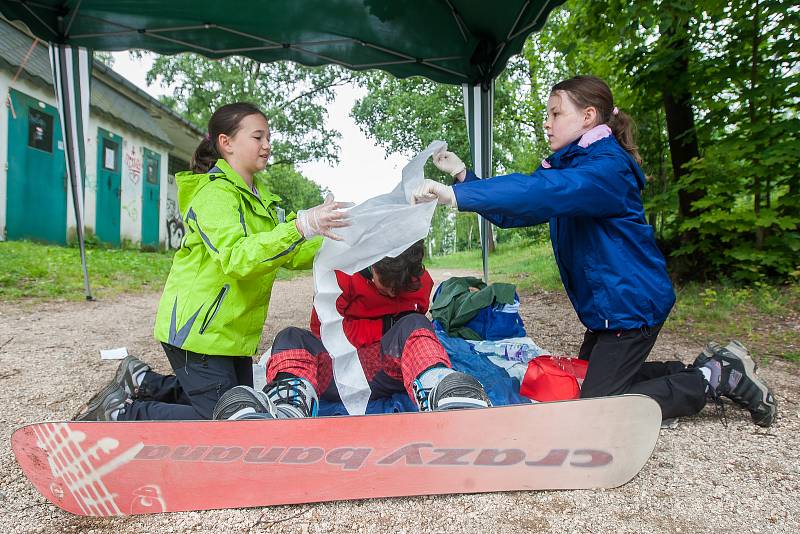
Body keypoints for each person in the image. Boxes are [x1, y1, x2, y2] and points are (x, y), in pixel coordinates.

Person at [413, 75, 777, 427]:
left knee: (596, 410)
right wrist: (463, 177)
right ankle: (696, 369)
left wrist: (458, 197)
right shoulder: (574, 166)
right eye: (547, 114)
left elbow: (541, 191)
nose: (547, 123)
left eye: (556, 113)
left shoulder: (606, 168)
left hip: (631, 309)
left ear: (588, 116)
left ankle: (715, 378)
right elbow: (519, 208)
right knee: (584, 384)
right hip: (609, 312)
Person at [75, 102, 351, 421]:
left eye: (268, 137)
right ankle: (124, 413)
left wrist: (340, 241)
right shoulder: (215, 195)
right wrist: (300, 226)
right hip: (200, 331)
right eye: (257, 137)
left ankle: (144, 381)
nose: (266, 145)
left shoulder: (262, 200)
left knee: (240, 407)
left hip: (231, 334)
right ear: (227, 142)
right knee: (229, 422)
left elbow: (288, 253)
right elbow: (237, 258)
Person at [212, 240, 491, 419]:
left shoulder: (419, 281)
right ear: (370, 266)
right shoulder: (341, 278)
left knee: (416, 325)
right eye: (388, 283)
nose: (394, 291)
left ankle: (438, 391)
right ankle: (289, 407)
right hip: (336, 371)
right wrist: (385, 326)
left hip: (385, 368)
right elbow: (324, 334)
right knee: (290, 336)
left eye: (401, 284)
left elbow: (407, 331)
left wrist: (384, 330)